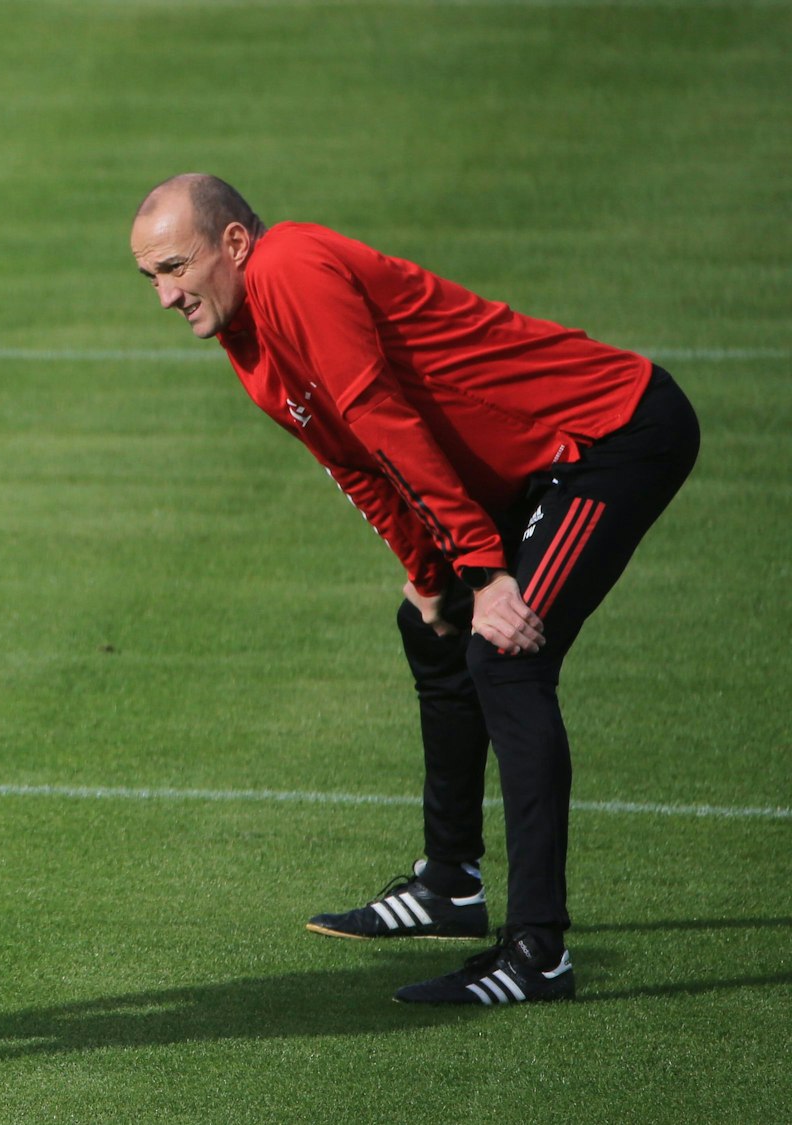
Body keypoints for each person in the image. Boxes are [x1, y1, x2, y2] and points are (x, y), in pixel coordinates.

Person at [128, 174, 698, 1005]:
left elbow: (381, 413)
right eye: (149, 277)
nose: (165, 295)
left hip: (604, 436)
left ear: (235, 244)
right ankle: (449, 884)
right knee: (430, 627)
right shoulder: (244, 335)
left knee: (504, 655)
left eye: (175, 266)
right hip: (522, 472)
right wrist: (435, 578)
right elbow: (353, 460)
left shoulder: (291, 266)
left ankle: (539, 953)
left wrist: (484, 571)